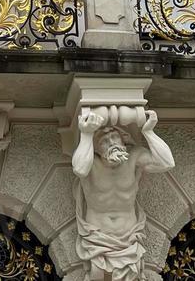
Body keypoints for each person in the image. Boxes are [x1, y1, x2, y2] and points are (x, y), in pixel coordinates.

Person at [72, 108, 175, 281]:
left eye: (114, 137)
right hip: (98, 238)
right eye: (104, 141)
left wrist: (148, 132)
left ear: (123, 139)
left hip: (129, 237)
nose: (111, 142)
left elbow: (166, 163)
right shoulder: (91, 163)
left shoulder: (134, 157)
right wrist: (86, 135)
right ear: (95, 148)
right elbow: (80, 169)